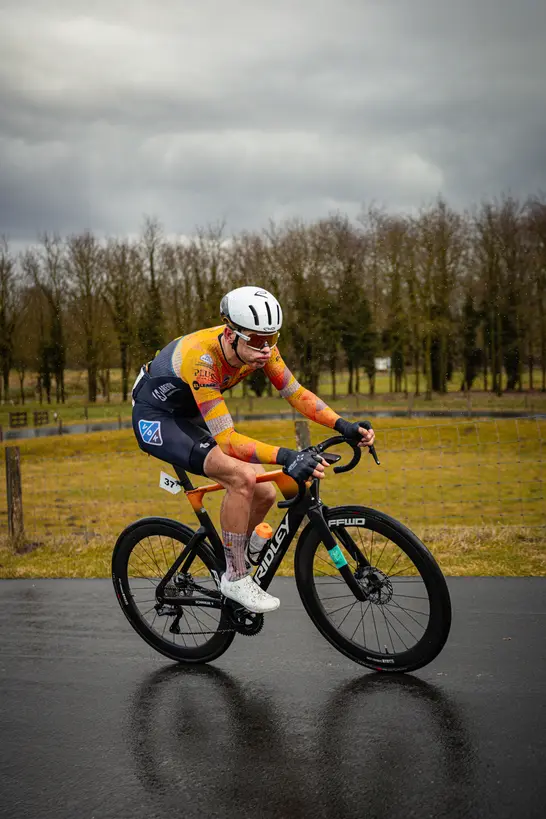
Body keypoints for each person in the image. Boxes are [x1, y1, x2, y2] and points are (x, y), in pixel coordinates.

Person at [131, 286, 375, 614]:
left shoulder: (260, 348)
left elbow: (296, 393)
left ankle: (236, 558)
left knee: (265, 492)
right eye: (258, 341)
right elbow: (228, 440)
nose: (266, 350)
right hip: (157, 416)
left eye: (272, 339)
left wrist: (342, 425)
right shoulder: (202, 359)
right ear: (230, 335)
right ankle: (234, 577)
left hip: (190, 411)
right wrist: (287, 457)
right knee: (242, 478)